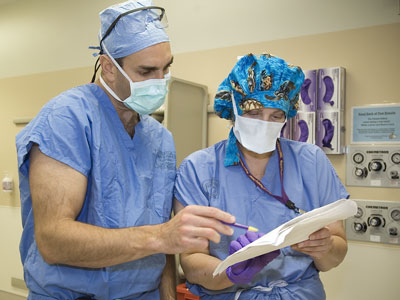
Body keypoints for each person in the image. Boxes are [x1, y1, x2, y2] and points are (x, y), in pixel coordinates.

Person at [15, 1, 235, 299]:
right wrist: (161, 236)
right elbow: (53, 241)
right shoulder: (67, 119)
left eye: (166, 68)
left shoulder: (160, 138)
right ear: (108, 67)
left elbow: (164, 246)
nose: (159, 82)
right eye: (146, 71)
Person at [174, 53, 350, 299]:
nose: (264, 123)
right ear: (233, 108)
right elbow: (191, 263)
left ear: (287, 115)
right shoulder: (198, 168)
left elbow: (336, 253)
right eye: (254, 113)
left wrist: (325, 247)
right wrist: (231, 272)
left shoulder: (311, 161)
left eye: (275, 116)